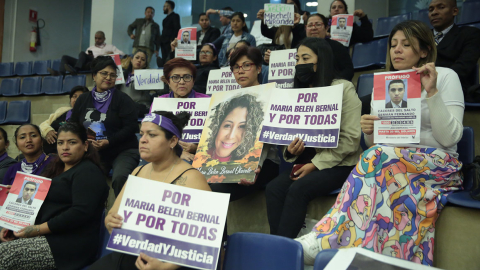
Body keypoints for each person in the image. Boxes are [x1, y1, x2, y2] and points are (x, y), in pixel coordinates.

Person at [296, 20, 464, 266]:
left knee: (379, 158)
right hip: (394, 160)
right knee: (377, 156)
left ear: (424, 51)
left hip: (439, 163)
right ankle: (365, 250)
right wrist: (370, 131)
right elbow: (377, 143)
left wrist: (432, 93)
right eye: (393, 44)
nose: (397, 49)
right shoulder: (385, 84)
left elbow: (451, 138)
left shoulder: (446, 77)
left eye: (406, 44)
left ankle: (327, 237)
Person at [265, 37, 362, 240]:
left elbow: (351, 140)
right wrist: (291, 151)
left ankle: (284, 251)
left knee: (298, 189)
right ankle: (277, 244)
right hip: (308, 162)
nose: (300, 63)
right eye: (297, 58)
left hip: (341, 164)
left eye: (305, 57)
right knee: (274, 188)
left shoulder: (344, 88)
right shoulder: (299, 93)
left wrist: (315, 165)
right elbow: (289, 137)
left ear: (322, 60)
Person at [89, 111, 211, 270]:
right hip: (129, 256)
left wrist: (166, 266)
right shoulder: (138, 171)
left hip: (170, 263)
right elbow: (112, 216)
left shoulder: (192, 178)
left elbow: (207, 239)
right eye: (141, 134)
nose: (143, 140)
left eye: (152, 135)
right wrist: (111, 221)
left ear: (173, 141)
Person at [0, 123, 109, 270]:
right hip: (50, 237)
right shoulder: (56, 170)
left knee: (4, 255)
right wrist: (14, 222)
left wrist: (37, 229)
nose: (65, 147)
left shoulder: (87, 171)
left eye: (72, 142)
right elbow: (38, 203)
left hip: (69, 245)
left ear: (85, 146)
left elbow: (80, 212)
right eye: (60, 142)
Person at [208, 46, 279, 202]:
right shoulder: (227, 100)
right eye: (236, 67)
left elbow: (265, 139)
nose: (240, 71)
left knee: (215, 191)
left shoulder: (272, 96)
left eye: (247, 65)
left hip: (265, 161)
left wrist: (255, 165)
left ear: (259, 68)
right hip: (231, 160)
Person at [70, 56, 140, 197]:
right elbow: (73, 124)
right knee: (86, 179)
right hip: (94, 151)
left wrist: (109, 141)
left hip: (123, 150)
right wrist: (84, 142)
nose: (108, 77)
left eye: (113, 75)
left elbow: (132, 127)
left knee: (120, 177)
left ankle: (122, 214)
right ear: (94, 76)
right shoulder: (83, 99)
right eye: (104, 73)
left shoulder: (123, 99)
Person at [151, 58, 209, 162]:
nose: (182, 82)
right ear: (168, 81)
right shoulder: (160, 102)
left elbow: (217, 137)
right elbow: (152, 134)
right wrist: (177, 151)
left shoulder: (207, 101)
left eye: (187, 77)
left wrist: (197, 148)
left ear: (193, 80)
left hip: (200, 156)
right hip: (166, 154)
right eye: (176, 77)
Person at [428, 0, 480, 97]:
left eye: (441, 7)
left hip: (452, 88)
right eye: (431, 9)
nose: (434, 12)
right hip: (420, 87)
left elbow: (463, 68)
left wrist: (431, 80)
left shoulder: (470, 34)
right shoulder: (420, 37)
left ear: (455, 11)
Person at [48, 31, 124, 76]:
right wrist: (89, 56)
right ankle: (61, 73)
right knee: (65, 57)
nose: (97, 40)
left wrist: (112, 52)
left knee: (83, 54)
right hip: (86, 64)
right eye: (96, 38)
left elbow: (122, 54)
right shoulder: (90, 48)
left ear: (104, 39)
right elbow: (83, 58)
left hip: (97, 63)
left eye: (99, 38)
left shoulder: (110, 47)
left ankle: (75, 69)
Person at [40, 86, 89, 154]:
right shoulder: (62, 110)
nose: (76, 99)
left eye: (80, 97)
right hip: (46, 152)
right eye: (74, 96)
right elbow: (44, 124)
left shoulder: (88, 116)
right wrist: (47, 131)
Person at [304, 14, 354, 81]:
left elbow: (348, 71)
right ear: (305, 28)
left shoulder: (337, 47)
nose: (313, 28)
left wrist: (333, 83)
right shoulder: (301, 49)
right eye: (310, 25)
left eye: (318, 24)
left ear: (326, 28)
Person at [118, 50, 153, 118]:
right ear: (131, 60)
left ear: (145, 64)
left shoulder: (149, 77)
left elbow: (161, 91)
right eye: (137, 58)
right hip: (123, 106)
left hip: (140, 107)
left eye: (142, 59)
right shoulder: (122, 75)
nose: (139, 60)